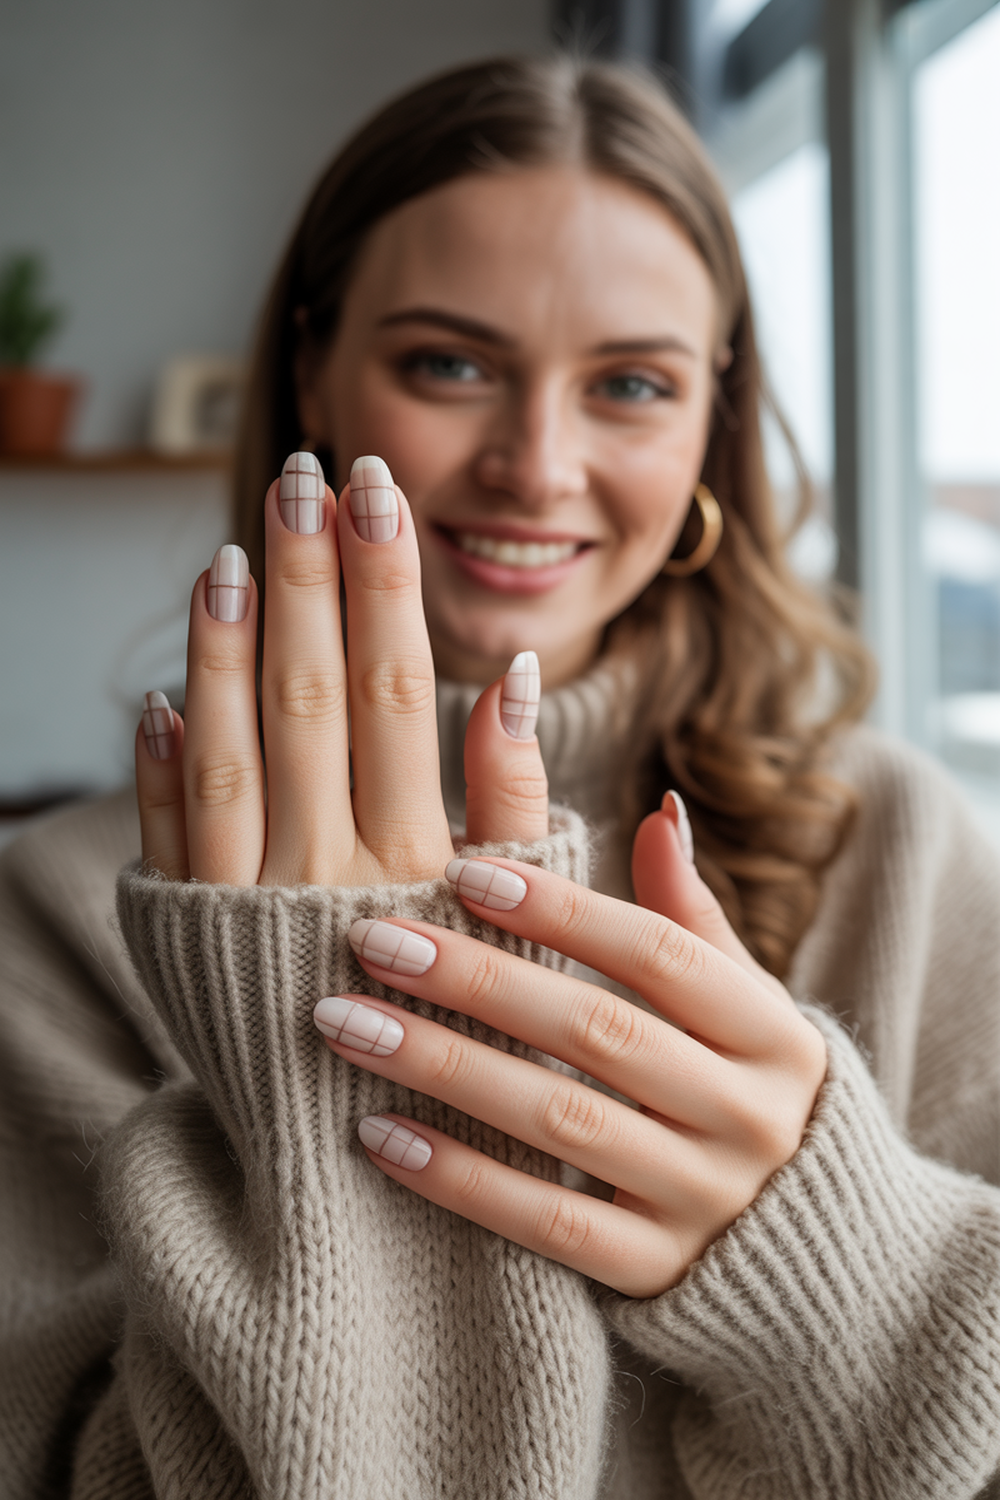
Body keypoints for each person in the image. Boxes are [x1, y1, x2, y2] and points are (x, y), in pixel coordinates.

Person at [1, 54, 998, 1500]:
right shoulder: (56, 915)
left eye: (633, 384)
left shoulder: (900, 843)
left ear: (713, 421)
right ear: (313, 370)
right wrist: (313, 1115)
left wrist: (826, 1257)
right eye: (449, 365)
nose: (537, 465)